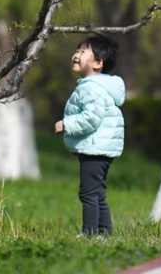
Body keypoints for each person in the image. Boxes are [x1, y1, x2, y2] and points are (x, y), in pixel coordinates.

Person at [54, 35, 125, 236]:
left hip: (97, 148)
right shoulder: (99, 86)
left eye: (83, 52)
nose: (76, 55)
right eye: (77, 50)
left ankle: (89, 234)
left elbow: (91, 118)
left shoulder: (91, 88)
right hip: (100, 147)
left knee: (88, 194)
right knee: (97, 193)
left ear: (97, 63)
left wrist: (66, 125)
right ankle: (104, 233)